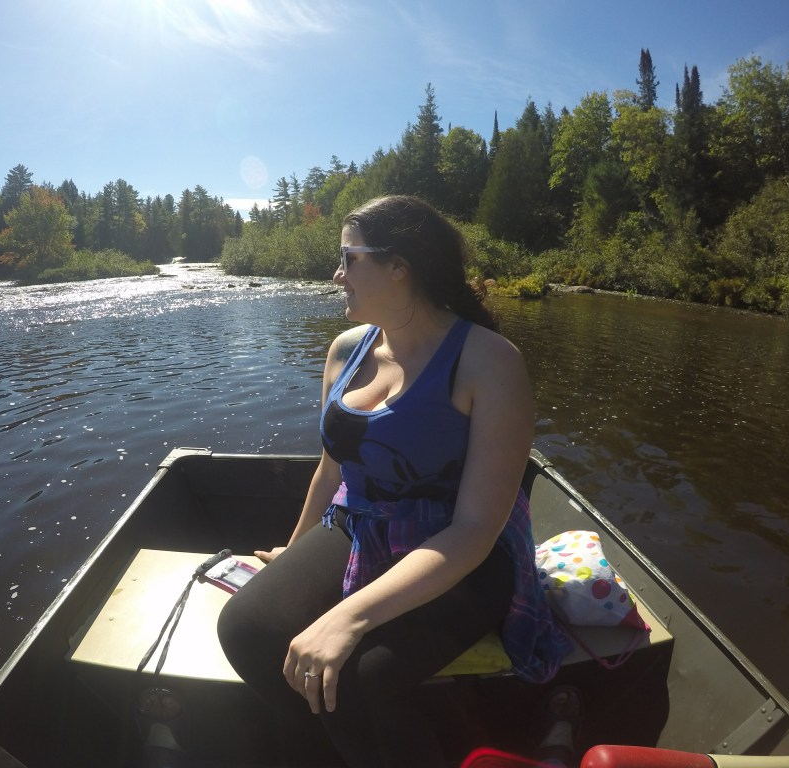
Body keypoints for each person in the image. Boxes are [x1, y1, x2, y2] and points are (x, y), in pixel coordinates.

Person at [217, 195, 570, 767]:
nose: (336, 275)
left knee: (355, 675)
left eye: (348, 259)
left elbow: (477, 528)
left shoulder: (489, 362)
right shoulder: (345, 351)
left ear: (399, 266)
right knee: (247, 629)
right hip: (358, 524)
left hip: (459, 554)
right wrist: (295, 547)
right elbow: (333, 467)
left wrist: (346, 616)